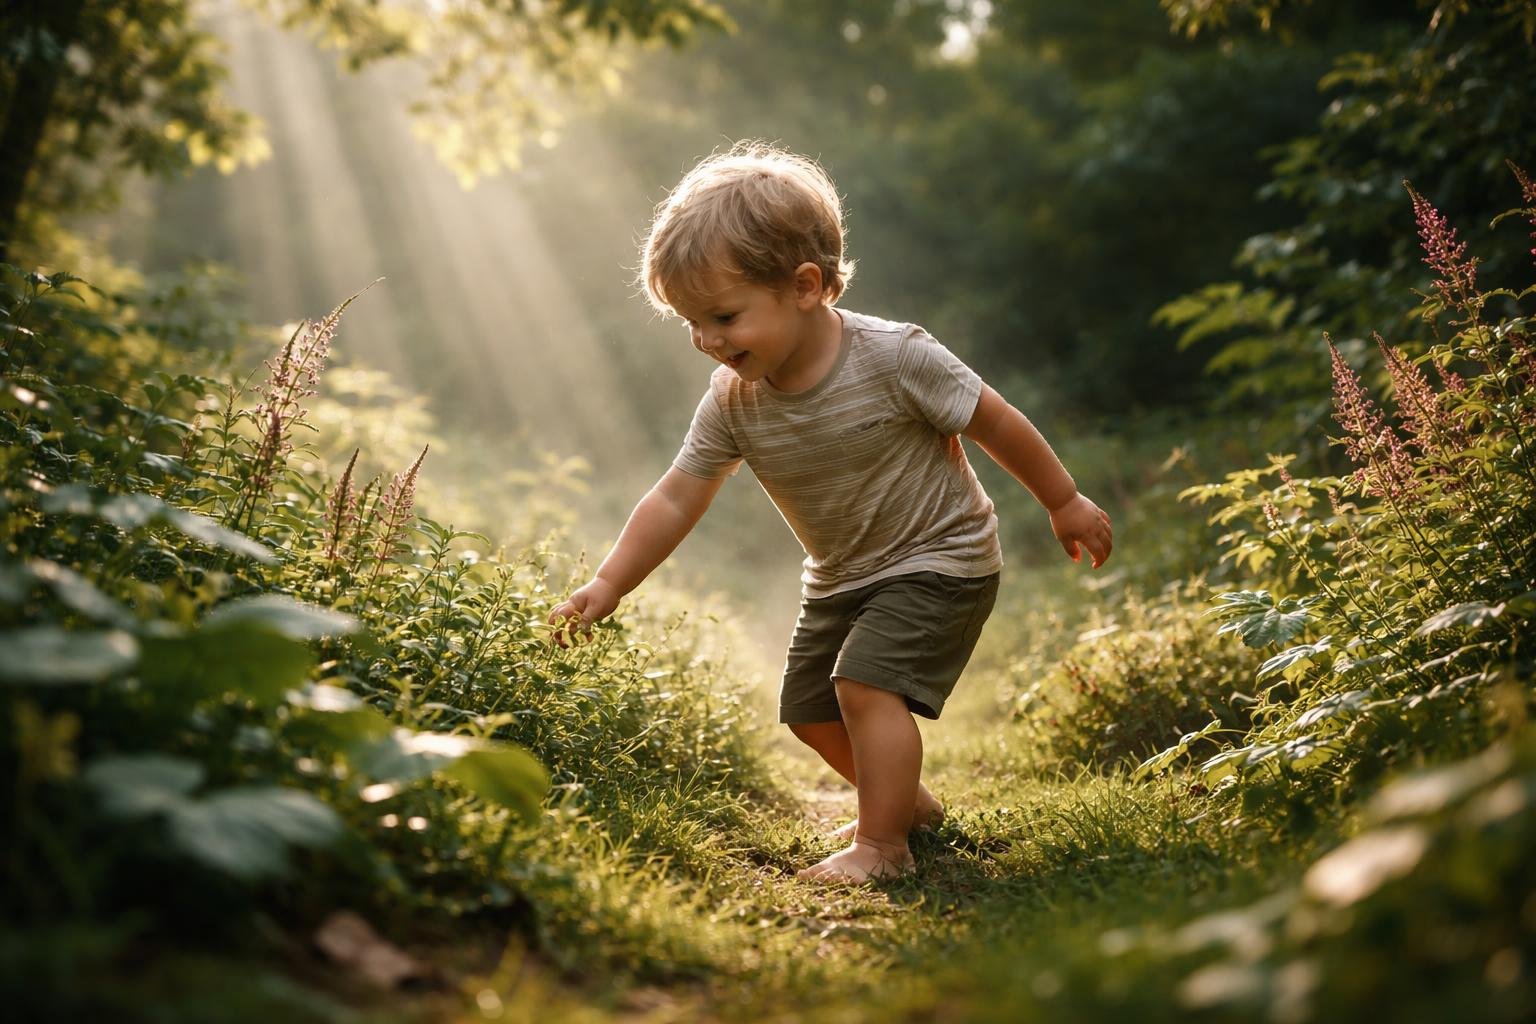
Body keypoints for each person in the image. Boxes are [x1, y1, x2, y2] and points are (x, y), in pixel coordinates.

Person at [549, 142, 1112, 884]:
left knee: (865, 686)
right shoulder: (733, 399)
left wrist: (1063, 499)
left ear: (806, 286)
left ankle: (883, 848)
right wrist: (611, 583)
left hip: (940, 558)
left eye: (723, 316)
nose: (708, 342)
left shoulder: (896, 357)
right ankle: (906, 805)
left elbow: (995, 421)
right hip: (842, 574)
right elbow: (678, 493)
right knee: (810, 710)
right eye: (692, 323)